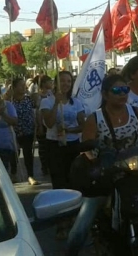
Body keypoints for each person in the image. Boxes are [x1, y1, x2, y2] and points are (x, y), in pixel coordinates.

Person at [66, 74, 138, 256]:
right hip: (107, 177)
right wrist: (94, 161)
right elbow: (87, 147)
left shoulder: (136, 112)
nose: (122, 94)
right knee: (81, 227)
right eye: (117, 90)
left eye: (125, 90)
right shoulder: (94, 118)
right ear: (105, 95)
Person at [41, 71, 86, 239]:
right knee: (59, 184)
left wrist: (69, 130)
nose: (66, 84)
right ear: (55, 83)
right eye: (62, 81)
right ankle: (61, 223)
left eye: (68, 81)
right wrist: (56, 104)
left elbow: (83, 125)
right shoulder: (47, 101)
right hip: (54, 146)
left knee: (73, 181)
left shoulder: (77, 103)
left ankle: (74, 218)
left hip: (73, 145)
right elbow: (49, 123)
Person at [10, 77, 39, 185]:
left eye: (24, 85)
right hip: (15, 132)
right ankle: (13, 173)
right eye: (20, 85)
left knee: (28, 154)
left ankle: (30, 176)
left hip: (28, 131)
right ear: (14, 87)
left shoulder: (28, 99)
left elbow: (34, 110)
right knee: (14, 154)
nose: (23, 87)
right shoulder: (10, 101)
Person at [35, 75, 53, 177]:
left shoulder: (52, 94)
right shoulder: (39, 96)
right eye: (49, 82)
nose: (51, 84)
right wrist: (40, 125)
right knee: (43, 148)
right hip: (42, 124)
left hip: (51, 122)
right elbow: (39, 112)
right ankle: (44, 166)